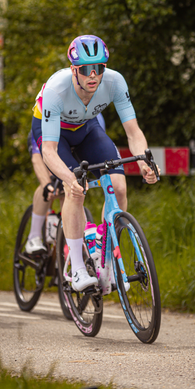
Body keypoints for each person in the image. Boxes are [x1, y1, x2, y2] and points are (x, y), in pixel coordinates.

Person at [32, 35, 158, 292]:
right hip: (55, 134)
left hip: (86, 128)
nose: (93, 75)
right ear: (73, 70)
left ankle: (102, 247)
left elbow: (133, 132)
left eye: (99, 68)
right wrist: (69, 180)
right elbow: (48, 150)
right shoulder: (57, 89)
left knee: (120, 187)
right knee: (75, 190)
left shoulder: (115, 81)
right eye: (86, 70)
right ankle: (77, 268)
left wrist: (145, 161)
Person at [26, 111, 107, 255]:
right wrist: (47, 184)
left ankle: (68, 244)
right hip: (50, 142)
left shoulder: (96, 120)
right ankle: (34, 236)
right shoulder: (48, 116)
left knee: (71, 187)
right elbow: (38, 159)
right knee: (50, 182)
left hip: (76, 147)